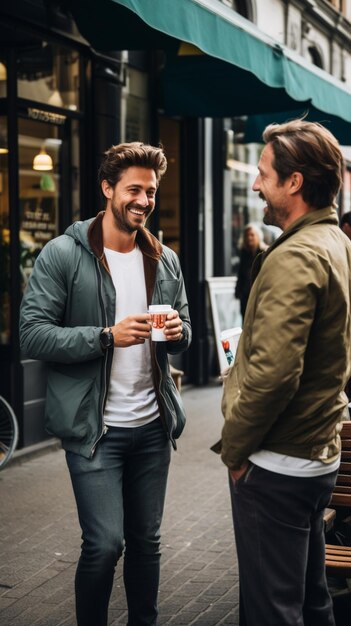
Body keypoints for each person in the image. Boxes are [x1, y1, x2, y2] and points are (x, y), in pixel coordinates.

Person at [20, 142, 192, 626]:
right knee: (103, 544)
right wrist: (104, 337)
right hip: (96, 431)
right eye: (134, 189)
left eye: (151, 191)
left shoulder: (163, 258)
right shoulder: (64, 254)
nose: (144, 200)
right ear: (107, 189)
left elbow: (184, 330)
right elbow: (32, 333)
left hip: (152, 427)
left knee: (147, 542)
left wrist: (180, 333)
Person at [220, 119, 351, 626]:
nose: (256, 184)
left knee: (271, 609)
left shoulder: (296, 254)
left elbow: (274, 375)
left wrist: (236, 451)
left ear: (294, 182)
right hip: (316, 454)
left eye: (263, 173)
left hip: (278, 462)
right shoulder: (334, 240)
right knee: (311, 597)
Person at [234, 223, 267, 320]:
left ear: (258, 236)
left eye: (252, 235)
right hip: (245, 297)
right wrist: (238, 291)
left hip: (259, 297)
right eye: (247, 235)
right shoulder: (244, 253)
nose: (249, 238)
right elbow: (241, 274)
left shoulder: (264, 252)